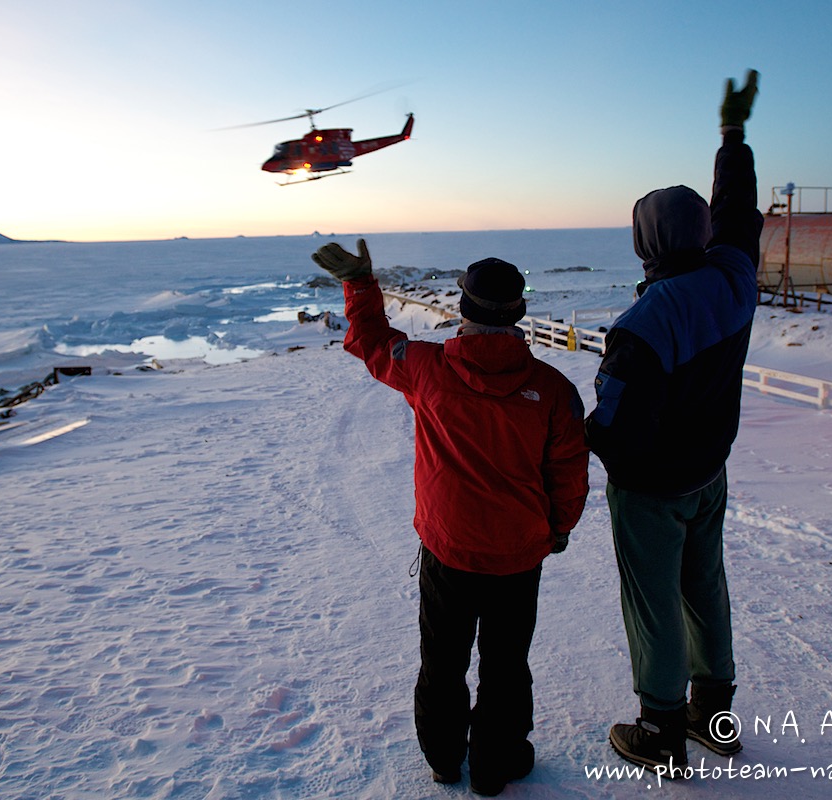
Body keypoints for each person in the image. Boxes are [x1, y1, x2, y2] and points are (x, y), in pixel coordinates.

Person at [311, 241, 589, 796]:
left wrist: (362, 284)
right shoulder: (554, 390)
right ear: (518, 313)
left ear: (463, 310)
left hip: (448, 551)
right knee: (507, 665)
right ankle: (497, 763)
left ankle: (443, 758)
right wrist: (559, 528)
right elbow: (569, 472)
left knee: (441, 660)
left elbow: (368, 342)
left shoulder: (427, 369)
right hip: (517, 557)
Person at [586, 69, 763, 775]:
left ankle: (660, 731)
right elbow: (740, 212)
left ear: (644, 241)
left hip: (652, 489)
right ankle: (713, 717)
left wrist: (572, 437)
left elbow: (619, 429)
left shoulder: (643, 324)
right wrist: (733, 139)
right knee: (705, 590)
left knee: (654, 604)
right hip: (709, 472)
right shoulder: (733, 277)